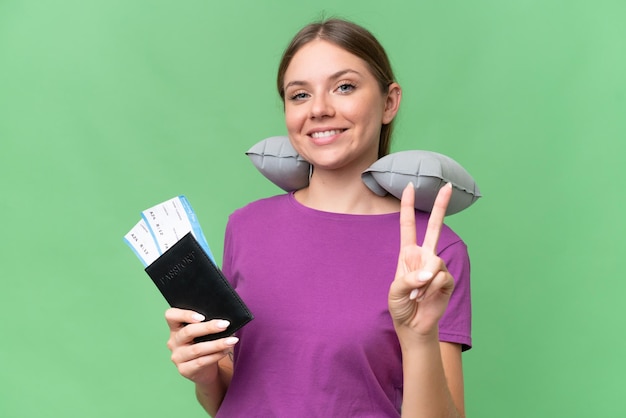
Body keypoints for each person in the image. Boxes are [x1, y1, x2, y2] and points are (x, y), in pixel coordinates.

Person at [165, 18, 472, 417]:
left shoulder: (434, 252)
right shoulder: (245, 227)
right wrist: (205, 374)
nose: (320, 109)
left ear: (389, 102)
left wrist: (418, 339)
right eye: (299, 95)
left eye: (344, 87)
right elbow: (237, 395)